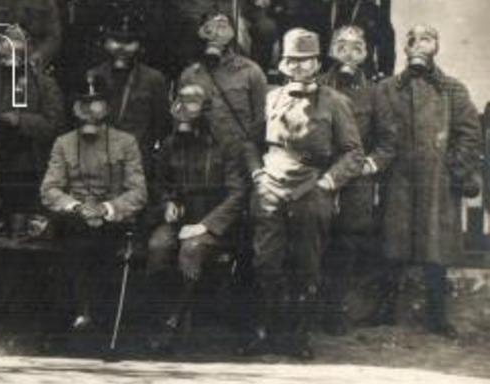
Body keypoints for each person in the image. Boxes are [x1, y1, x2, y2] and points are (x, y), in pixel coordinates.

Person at [243, 28, 365, 359]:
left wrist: (328, 183)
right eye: (292, 61)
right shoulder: (270, 98)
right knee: (266, 262)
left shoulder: (336, 103)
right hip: (271, 187)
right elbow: (250, 142)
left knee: (307, 265)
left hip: (312, 188)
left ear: (317, 63)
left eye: (306, 61)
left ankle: (300, 337)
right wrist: (258, 174)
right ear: (283, 65)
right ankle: (264, 332)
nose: (299, 67)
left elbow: (353, 152)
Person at [368, 25, 483, 338]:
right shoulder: (387, 89)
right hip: (399, 178)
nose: (418, 44)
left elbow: (470, 133)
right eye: (412, 39)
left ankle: (437, 314)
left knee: (437, 248)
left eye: (426, 39)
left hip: (438, 181)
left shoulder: (453, 90)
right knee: (393, 242)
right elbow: (376, 132)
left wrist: (453, 169)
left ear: (437, 47)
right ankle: (385, 308)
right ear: (404, 49)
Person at [143, 82, 250, 353]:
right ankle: (157, 316)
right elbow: (161, 183)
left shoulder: (227, 145)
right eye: (179, 103)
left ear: (206, 110)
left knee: (191, 250)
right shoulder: (170, 145)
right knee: (158, 247)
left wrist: (204, 225)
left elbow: (237, 194)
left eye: (191, 105)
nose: (183, 113)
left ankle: (173, 322)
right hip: (180, 218)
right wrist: (168, 203)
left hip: (215, 222)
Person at [39, 73, 148, 333]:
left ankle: (95, 316)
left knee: (100, 249)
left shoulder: (126, 142)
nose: (89, 111)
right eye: (82, 104)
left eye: (96, 103)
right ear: (74, 109)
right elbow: (50, 188)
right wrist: (76, 207)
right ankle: (77, 315)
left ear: (107, 108)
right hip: (74, 218)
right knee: (73, 241)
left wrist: (107, 208)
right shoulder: (63, 143)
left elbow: (138, 191)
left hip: (113, 219)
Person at [319, 25, 382, 334]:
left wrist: (373, 162)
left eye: (356, 46)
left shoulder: (375, 91)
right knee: (314, 239)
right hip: (321, 175)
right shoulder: (318, 86)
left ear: (366, 53)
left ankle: (335, 311)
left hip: (356, 180)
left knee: (347, 244)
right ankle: (308, 310)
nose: (349, 52)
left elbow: (389, 140)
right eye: (341, 45)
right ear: (331, 50)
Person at [0, 26, 65, 235]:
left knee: (21, 224)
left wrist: (21, 120)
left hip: (27, 162)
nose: (10, 50)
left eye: (18, 45)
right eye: (5, 44)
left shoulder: (44, 84)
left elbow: (55, 126)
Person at [175, 11, 268, 161]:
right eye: (209, 28)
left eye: (223, 27)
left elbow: (261, 119)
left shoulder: (251, 72)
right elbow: (182, 120)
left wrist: (248, 151)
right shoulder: (190, 74)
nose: (217, 34)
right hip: (204, 156)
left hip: (239, 157)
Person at [84, 10, 169, 166]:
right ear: (105, 42)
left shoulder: (154, 79)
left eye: (129, 41)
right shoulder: (92, 76)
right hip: (100, 162)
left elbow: (162, 127)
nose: (122, 47)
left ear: (140, 44)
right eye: (116, 40)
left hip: (138, 162)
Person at [65, 0, 155, 85]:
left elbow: (149, 43)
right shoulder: (90, 2)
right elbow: (80, 42)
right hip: (98, 63)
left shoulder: (144, 2)